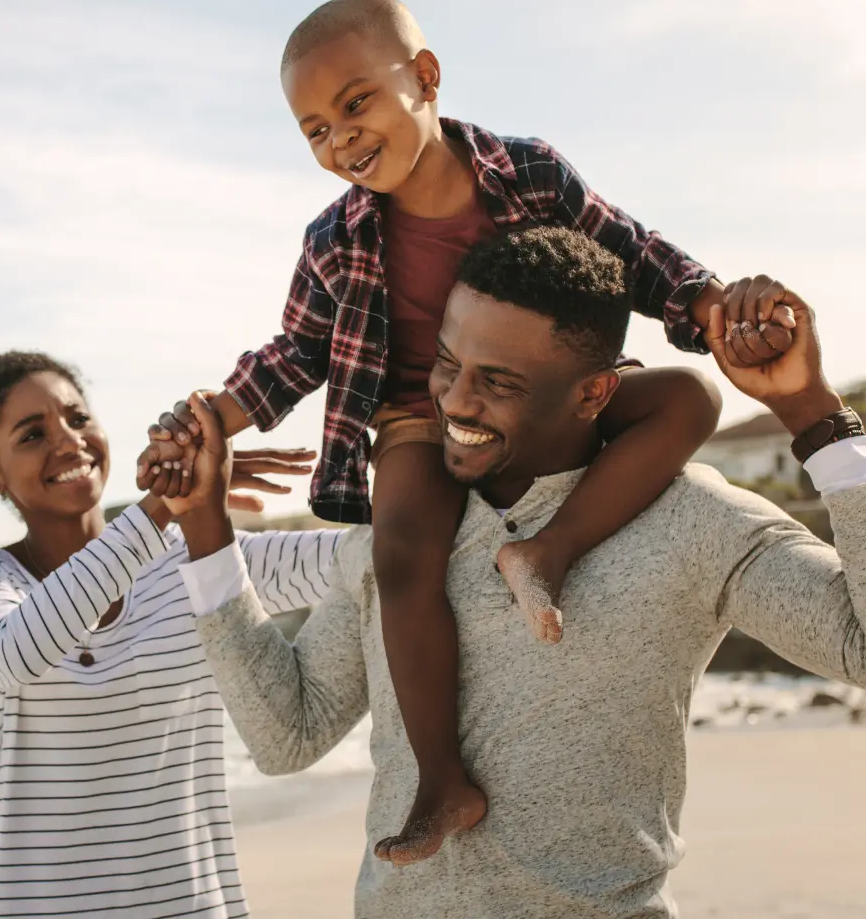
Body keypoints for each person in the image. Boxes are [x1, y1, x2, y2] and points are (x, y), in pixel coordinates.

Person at [137, 0, 796, 864]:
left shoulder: (529, 173)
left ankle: (547, 551)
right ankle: (443, 781)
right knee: (401, 553)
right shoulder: (334, 238)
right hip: (419, 415)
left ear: (424, 77)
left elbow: (634, 252)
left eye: (356, 103)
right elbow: (296, 352)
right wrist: (209, 419)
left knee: (689, 400)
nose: (341, 140)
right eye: (315, 130)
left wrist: (714, 307)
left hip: (544, 398)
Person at [163, 226, 866, 919]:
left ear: (594, 394)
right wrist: (205, 528)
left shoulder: (692, 520)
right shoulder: (399, 536)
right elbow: (287, 737)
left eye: (498, 382)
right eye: (446, 363)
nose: (455, 402)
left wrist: (810, 411)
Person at [0, 332, 345, 919]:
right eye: (33, 435)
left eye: (78, 418)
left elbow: (364, 563)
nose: (69, 441)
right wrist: (161, 505)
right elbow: (11, 656)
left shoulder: (200, 558)